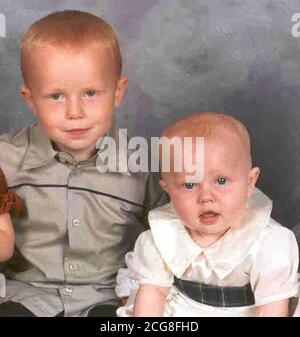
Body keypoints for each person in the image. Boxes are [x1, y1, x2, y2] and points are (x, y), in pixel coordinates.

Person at [0, 10, 166, 317]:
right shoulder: (5, 160)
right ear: (30, 99)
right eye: (56, 96)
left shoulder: (140, 166)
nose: (74, 112)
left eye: (90, 93)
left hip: (107, 297)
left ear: (117, 92)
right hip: (26, 296)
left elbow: (175, 233)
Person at [116, 112, 299, 317]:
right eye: (189, 184)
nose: (206, 197)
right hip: (182, 310)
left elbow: (272, 308)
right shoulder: (162, 236)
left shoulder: (269, 242)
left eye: (221, 181)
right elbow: (154, 293)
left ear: (249, 182)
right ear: (168, 189)